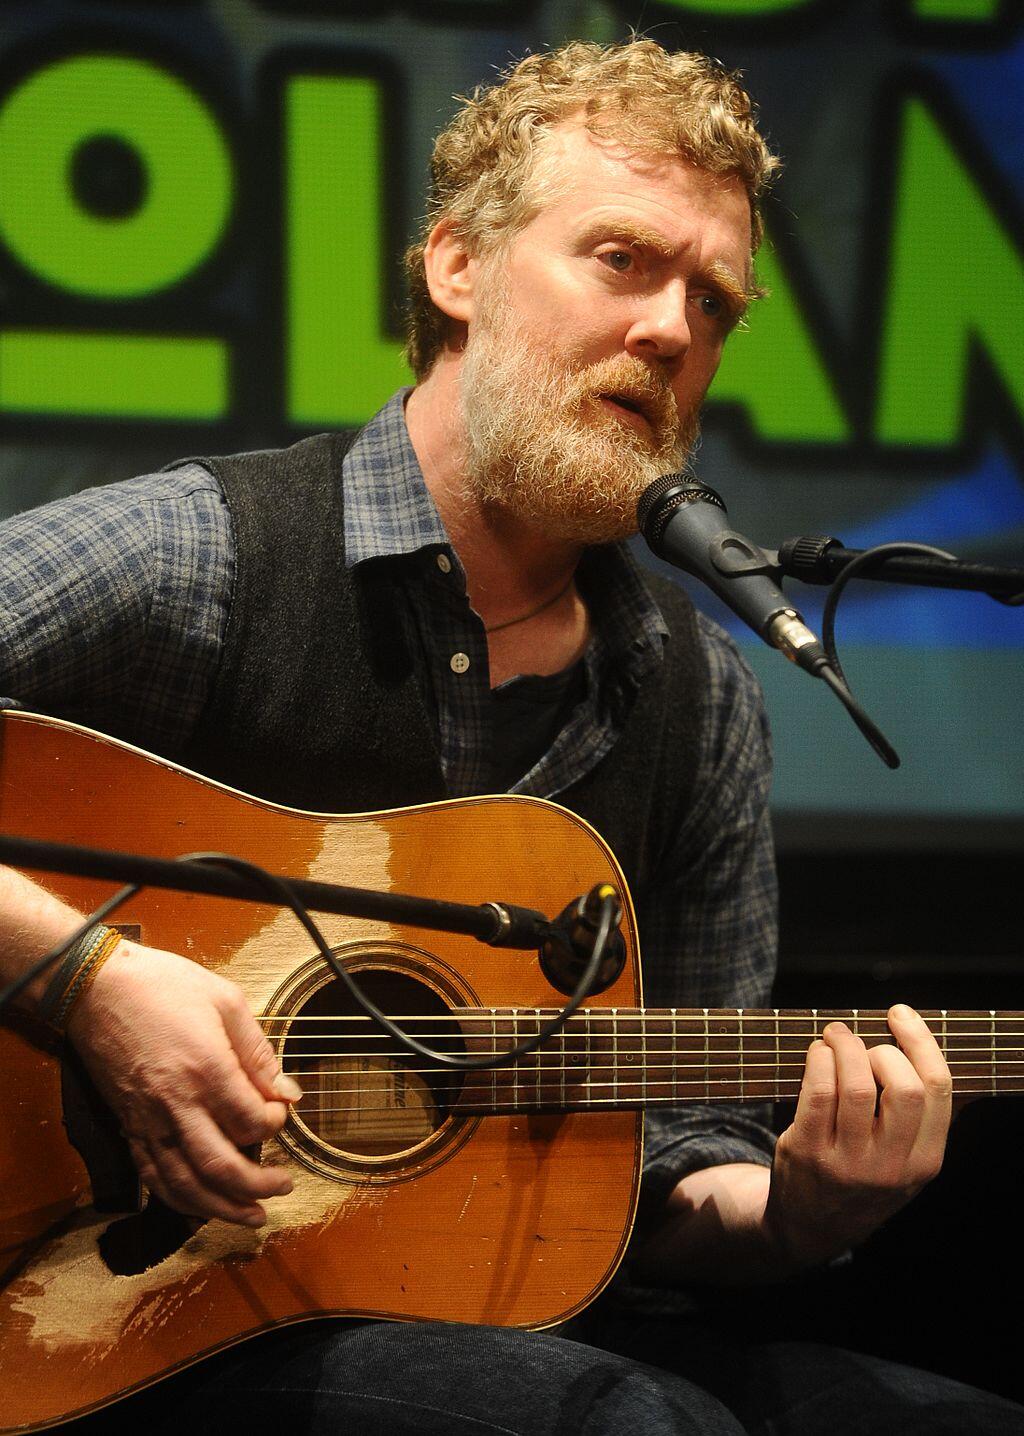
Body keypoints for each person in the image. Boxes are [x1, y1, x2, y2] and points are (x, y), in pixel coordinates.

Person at [0, 38, 1019, 1434]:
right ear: (458, 269)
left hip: (469, 1313)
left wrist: (796, 1210)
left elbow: (673, 1169)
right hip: (122, 1297)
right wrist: (91, 984)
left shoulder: (697, 694)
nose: (672, 329)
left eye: (713, 299)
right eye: (622, 259)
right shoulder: (200, 553)